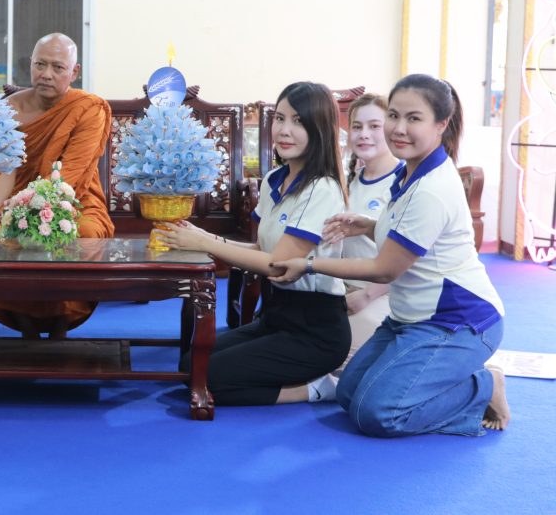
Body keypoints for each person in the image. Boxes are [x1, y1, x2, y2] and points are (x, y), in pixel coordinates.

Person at [270, 74, 510, 436]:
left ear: (441, 124)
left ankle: (482, 386)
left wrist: (308, 264)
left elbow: (384, 270)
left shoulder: (431, 189)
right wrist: (368, 226)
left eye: (414, 118)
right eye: (394, 116)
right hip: (408, 318)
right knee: (349, 394)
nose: (398, 128)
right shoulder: (410, 174)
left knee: (377, 413)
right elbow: (410, 235)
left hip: (458, 321)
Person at [156, 81, 351, 406]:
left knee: (209, 378)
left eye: (299, 121)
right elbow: (261, 251)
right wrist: (205, 238)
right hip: (276, 317)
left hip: (315, 330)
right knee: (190, 364)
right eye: (280, 118)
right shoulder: (275, 179)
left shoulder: (322, 189)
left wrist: (204, 242)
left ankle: (317, 389)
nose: (284, 130)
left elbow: (277, 266)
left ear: (319, 129)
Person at [0, 33, 114, 339]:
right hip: (17, 200)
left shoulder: (89, 108)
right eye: (40, 64)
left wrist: (30, 207)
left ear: (74, 72)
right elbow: (8, 167)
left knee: (84, 233)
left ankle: (60, 327)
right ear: (31, 65)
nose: (46, 74)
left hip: (76, 200)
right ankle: (28, 330)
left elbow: (70, 176)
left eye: (58, 67)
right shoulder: (9, 108)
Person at [305, 93, 404, 402]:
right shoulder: (348, 180)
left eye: (374, 126)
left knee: (343, 365)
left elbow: (412, 258)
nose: (364, 134)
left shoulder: (404, 182)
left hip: (385, 292)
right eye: (357, 126)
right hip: (343, 290)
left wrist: (367, 294)